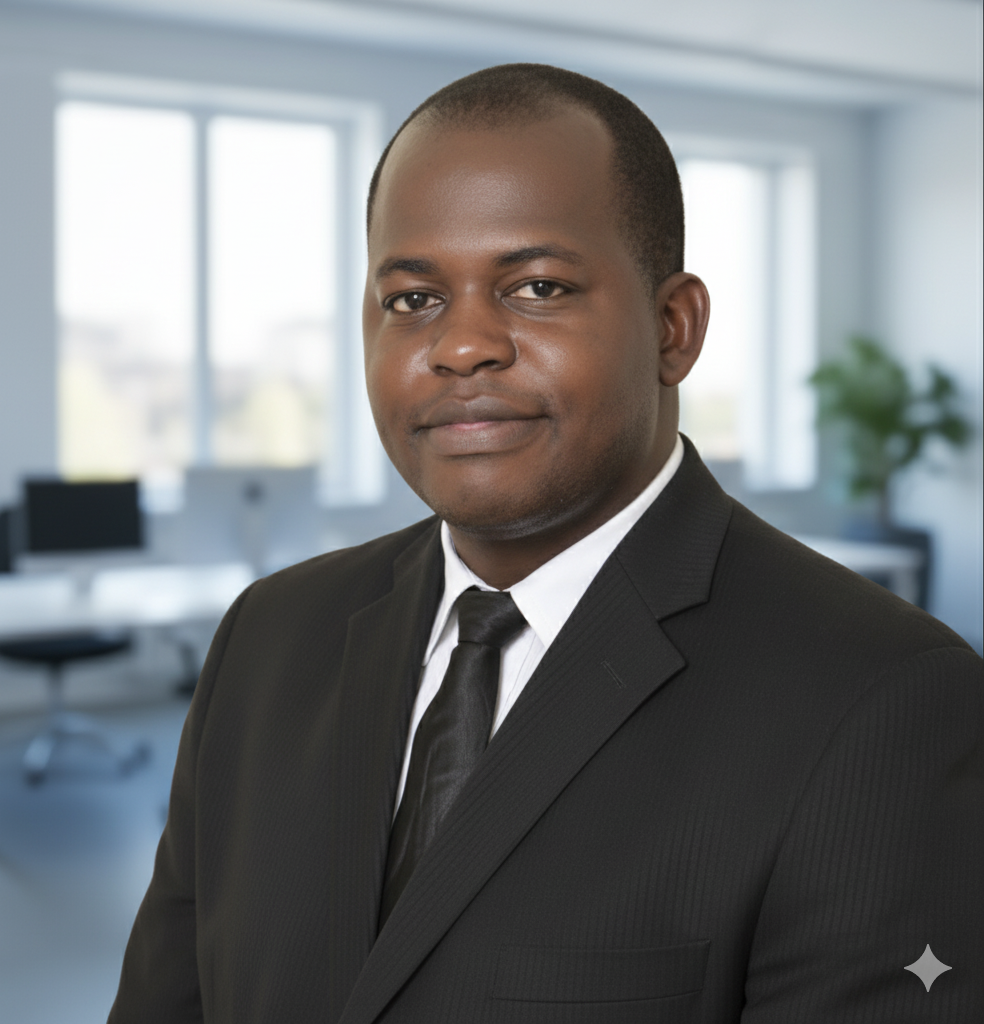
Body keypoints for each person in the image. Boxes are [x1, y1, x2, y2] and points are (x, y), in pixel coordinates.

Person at [109, 64, 982, 1023]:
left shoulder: (879, 700)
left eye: (535, 286)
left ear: (673, 328)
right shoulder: (269, 639)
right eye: (413, 300)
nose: (462, 345)